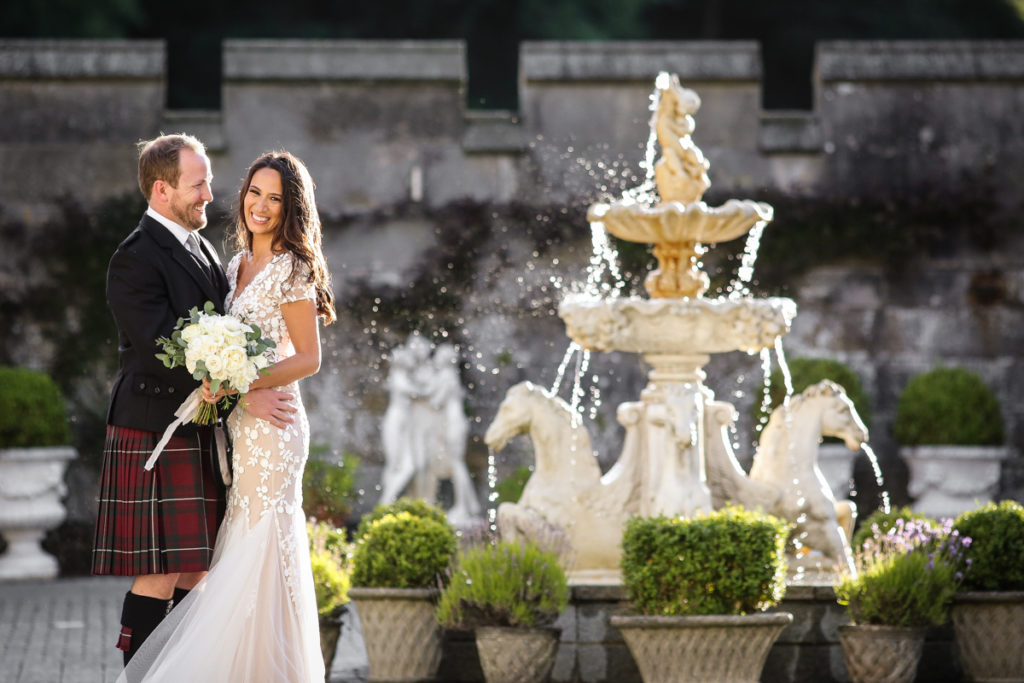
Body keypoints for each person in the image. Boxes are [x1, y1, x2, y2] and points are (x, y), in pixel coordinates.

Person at [119, 150, 336, 682]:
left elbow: (308, 357)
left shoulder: (293, 268)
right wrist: (234, 392)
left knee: (260, 544)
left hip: (275, 426)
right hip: (238, 425)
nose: (260, 206)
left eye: (275, 198)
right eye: (254, 193)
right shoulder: (233, 264)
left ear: (292, 208)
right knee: (232, 545)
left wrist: (242, 384)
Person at [92, 134, 297, 665]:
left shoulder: (201, 247)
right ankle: (138, 677)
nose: (210, 193)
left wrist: (232, 394)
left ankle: (183, 672)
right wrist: (239, 396)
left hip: (202, 425)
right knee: (160, 571)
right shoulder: (134, 259)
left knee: (200, 567)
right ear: (162, 190)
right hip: (156, 424)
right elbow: (164, 351)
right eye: (198, 183)